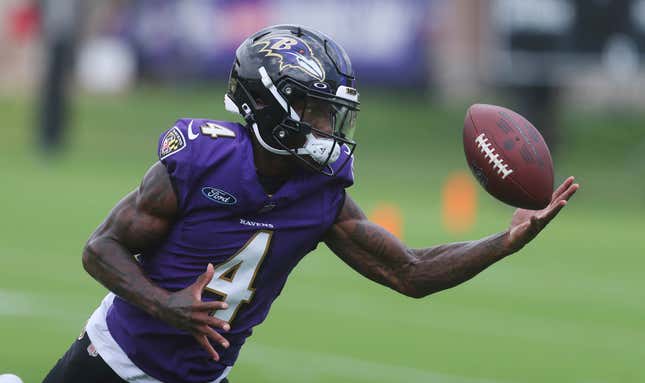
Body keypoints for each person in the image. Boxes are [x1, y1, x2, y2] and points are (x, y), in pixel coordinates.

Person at [43, 24, 578, 383]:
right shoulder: (202, 160)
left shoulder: (321, 194)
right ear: (272, 107)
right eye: (315, 111)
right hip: (114, 362)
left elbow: (410, 272)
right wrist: (165, 304)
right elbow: (101, 249)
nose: (327, 127)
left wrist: (506, 241)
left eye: (332, 113)